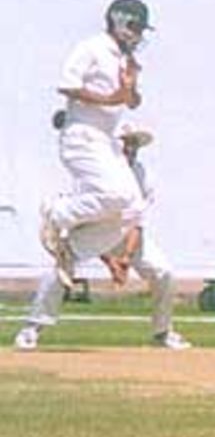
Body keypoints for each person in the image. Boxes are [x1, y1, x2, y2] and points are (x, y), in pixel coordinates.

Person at [15, 122, 191, 351]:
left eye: (134, 143)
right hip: (93, 230)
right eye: (126, 142)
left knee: (164, 272)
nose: (131, 148)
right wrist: (110, 262)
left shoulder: (142, 174)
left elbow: (137, 221)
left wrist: (125, 259)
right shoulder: (94, 173)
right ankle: (32, 328)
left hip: (128, 235)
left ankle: (162, 332)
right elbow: (87, 220)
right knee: (60, 270)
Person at [39, 0, 150, 288]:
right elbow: (67, 85)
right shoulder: (92, 47)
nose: (139, 35)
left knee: (133, 207)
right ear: (120, 20)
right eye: (136, 27)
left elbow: (132, 102)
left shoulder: (124, 58)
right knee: (115, 194)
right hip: (82, 135)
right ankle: (57, 212)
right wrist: (111, 98)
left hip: (107, 139)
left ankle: (72, 249)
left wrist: (130, 87)